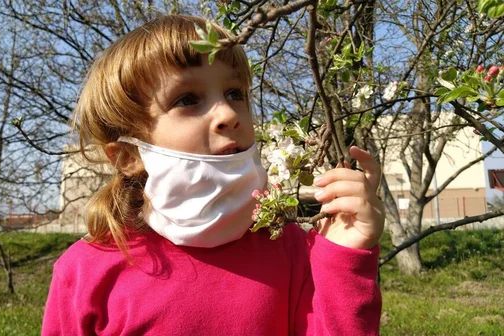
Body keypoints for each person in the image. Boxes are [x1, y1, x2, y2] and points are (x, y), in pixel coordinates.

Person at [42, 14, 385, 336]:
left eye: (235, 94)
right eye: (187, 99)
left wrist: (344, 257)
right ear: (130, 156)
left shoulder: (290, 247)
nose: (227, 113)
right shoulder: (85, 271)